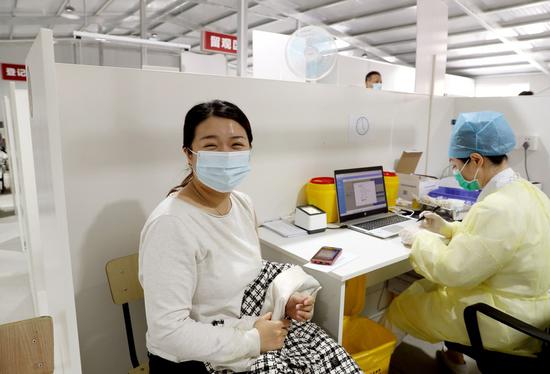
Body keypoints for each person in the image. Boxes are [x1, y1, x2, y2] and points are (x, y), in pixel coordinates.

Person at [139, 100, 361, 374]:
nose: (225, 154)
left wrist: (284, 301)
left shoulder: (242, 204)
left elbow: (248, 279)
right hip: (194, 359)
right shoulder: (170, 224)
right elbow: (168, 333)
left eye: (236, 144)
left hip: (248, 333)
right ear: (189, 154)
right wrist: (253, 340)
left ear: (249, 151)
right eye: (210, 145)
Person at [388, 111, 550, 370]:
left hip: (501, 320)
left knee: (403, 306)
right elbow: (493, 246)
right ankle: (454, 358)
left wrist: (419, 239)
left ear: (476, 159)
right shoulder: (530, 192)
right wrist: (448, 229)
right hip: (533, 311)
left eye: (455, 165)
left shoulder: (498, 206)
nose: (456, 172)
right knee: (427, 289)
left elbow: (453, 270)